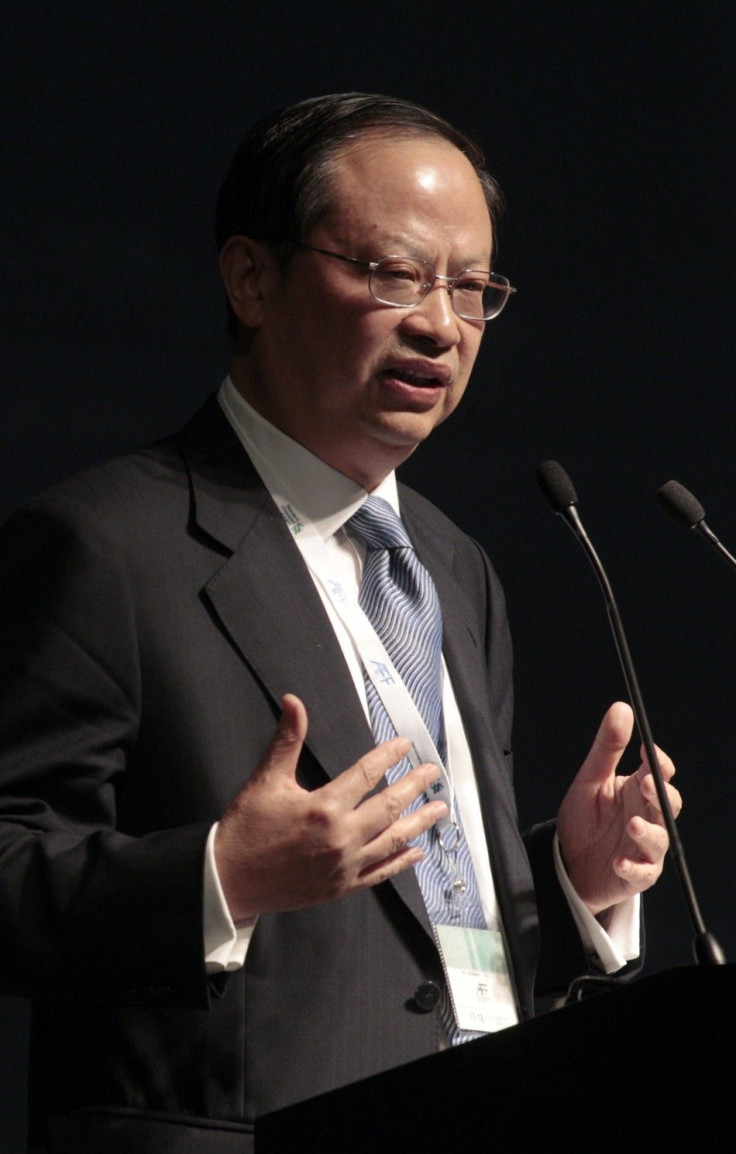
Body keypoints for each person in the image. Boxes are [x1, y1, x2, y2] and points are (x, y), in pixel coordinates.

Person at [0, 93, 679, 1153]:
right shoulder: (106, 545)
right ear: (251, 278)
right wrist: (223, 873)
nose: (439, 323)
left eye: (470, 287)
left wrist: (565, 881)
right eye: (390, 273)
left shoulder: (455, 568)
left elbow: (419, 936)